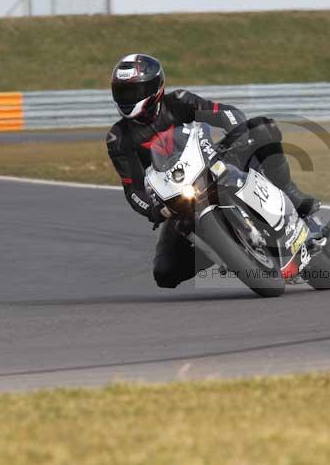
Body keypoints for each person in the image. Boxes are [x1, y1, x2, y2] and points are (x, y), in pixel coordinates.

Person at [106, 53, 318, 288]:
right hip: (177, 200)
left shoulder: (179, 101)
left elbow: (225, 113)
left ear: (154, 88)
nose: (127, 98)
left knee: (261, 128)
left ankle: (290, 192)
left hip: (213, 163)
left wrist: (236, 131)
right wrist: (155, 211)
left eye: (133, 92)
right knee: (165, 274)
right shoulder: (118, 138)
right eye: (122, 91)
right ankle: (226, 248)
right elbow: (133, 188)